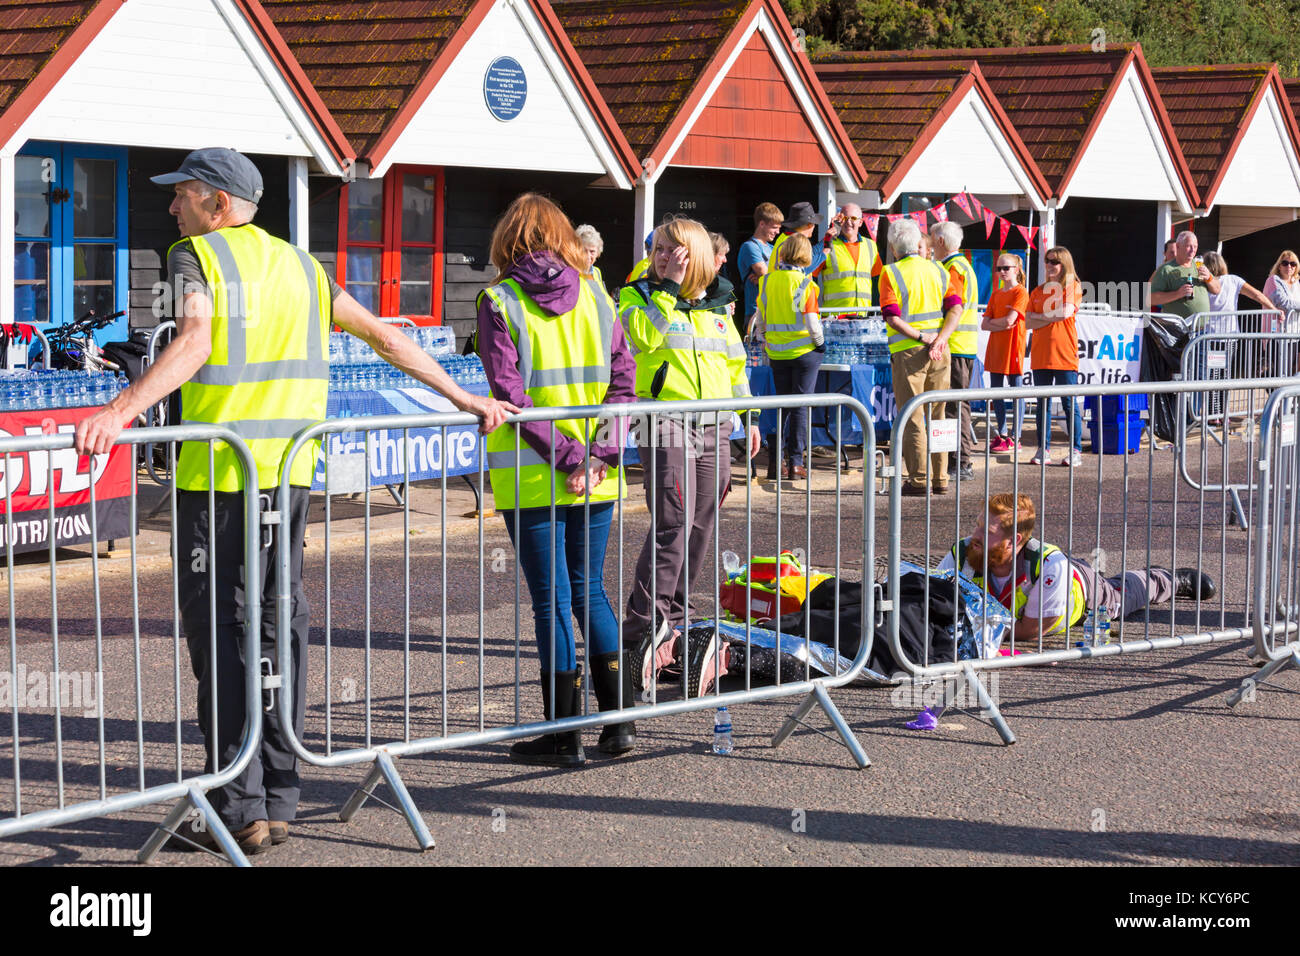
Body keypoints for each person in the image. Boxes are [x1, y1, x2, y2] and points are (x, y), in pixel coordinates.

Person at [73, 148, 513, 854]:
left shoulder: (199, 256)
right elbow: (385, 338)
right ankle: (277, 798)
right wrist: (461, 394)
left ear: (218, 205)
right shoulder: (304, 269)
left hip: (220, 477)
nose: (171, 207)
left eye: (182, 194)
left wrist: (118, 410)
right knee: (278, 627)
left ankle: (237, 803)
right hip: (289, 474)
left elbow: (195, 338)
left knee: (223, 635)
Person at [478, 194, 637, 766]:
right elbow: (625, 379)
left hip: (534, 472)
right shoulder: (597, 293)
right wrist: (600, 453)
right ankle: (618, 723)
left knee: (552, 602)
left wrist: (570, 456)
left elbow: (509, 394)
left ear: (507, 239)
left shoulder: (500, 299)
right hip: (595, 471)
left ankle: (564, 734)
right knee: (589, 589)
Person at [618, 218, 760, 695]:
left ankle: (675, 623)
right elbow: (642, 340)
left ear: (697, 254)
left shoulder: (720, 305)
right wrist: (668, 287)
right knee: (672, 521)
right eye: (659, 250)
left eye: (674, 252)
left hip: (714, 424)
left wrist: (751, 416)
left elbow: (736, 364)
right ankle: (642, 628)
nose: (664, 258)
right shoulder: (638, 295)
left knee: (702, 523)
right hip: (663, 419)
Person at [939, 493, 1215, 645]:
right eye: (976, 524)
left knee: (1129, 593)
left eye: (985, 531)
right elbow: (932, 595)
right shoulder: (965, 550)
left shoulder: (1048, 565)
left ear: (1015, 541)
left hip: (1085, 594)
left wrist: (975, 628)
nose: (974, 534)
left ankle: (1169, 579)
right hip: (1052, 589)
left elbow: (1031, 630)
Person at [879, 218, 963, 496]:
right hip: (940, 350)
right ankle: (941, 478)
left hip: (908, 351)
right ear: (919, 244)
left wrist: (921, 337)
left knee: (912, 415)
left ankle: (919, 480)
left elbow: (892, 317)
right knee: (939, 414)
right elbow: (955, 309)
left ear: (893, 248)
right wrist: (941, 338)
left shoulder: (890, 273)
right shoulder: (939, 271)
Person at [758, 234, 824, 480]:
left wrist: (765, 338)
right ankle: (796, 462)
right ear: (806, 256)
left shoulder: (767, 282)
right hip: (805, 352)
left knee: (781, 405)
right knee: (800, 407)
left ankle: (776, 462)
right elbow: (812, 323)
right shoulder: (805, 284)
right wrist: (821, 345)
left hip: (777, 353)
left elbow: (761, 319)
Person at [1026, 245, 1084, 467]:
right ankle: (1043, 449)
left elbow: (1066, 312)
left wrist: (1040, 316)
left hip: (1064, 354)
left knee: (1069, 404)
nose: (1049, 265)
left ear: (1064, 265)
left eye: (1054, 262)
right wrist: (1049, 316)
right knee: (1043, 403)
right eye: (1047, 260)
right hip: (1041, 355)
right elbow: (1027, 322)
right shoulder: (1038, 291)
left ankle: (1075, 450)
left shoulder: (1072, 286)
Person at [931, 222, 978, 481]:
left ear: (939, 241)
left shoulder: (953, 269)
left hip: (956, 346)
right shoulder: (961, 265)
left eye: (930, 237)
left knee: (955, 407)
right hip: (962, 345)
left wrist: (940, 339)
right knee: (955, 406)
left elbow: (954, 309)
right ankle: (958, 461)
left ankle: (960, 462)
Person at [981, 253, 1030, 453]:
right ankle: (1002, 434)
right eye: (999, 269)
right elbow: (985, 324)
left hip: (1013, 348)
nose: (1001, 272)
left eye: (1006, 268)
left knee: (1016, 392)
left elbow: (1011, 321)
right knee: (997, 394)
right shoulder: (996, 294)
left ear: (1016, 269)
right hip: (996, 348)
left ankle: (1015, 437)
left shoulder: (1021, 292)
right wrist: (1000, 324)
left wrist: (997, 323)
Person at [815, 202, 880, 317]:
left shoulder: (871, 246)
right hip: (834, 319)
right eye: (845, 218)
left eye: (853, 218)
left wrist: (875, 313)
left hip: (863, 318)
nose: (849, 222)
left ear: (860, 222)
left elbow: (877, 282)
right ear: (839, 220)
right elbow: (810, 274)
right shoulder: (828, 244)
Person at [1149, 230, 1218, 321]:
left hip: (1202, 330)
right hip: (1178, 330)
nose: (1193, 250)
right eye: (1189, 246)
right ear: (1178, 246)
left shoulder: (1199, 265)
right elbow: (1151, 299)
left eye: (1195, 246)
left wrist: (1209, 278)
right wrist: (1177, 294)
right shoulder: (1167, 269)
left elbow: (1217, 289)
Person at [737, 202, 783, 337]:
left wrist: (765, 278)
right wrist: (767, 276)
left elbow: (776, 277)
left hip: (774, 312)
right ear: (761, 224)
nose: (778, 232)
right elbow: (766, 274)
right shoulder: (750, 247)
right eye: (774, 227)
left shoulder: (772, 248)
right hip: (756, 315)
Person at [767, 201, 824, 274]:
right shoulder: (793, 242)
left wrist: (828, 238)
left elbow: (811, 254)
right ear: (810, 225)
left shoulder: (788, 238)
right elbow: (804, 268)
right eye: (814, 223)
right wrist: (825, 252)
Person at [575, 222, 606, 291]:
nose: (588, 256)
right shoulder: (570, 272)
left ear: (598, 253)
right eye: (583, 251)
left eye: (592, 251)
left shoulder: (596, 272)